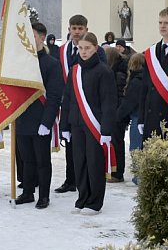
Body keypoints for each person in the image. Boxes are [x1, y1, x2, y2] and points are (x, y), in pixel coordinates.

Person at [60, 32, 118, 215]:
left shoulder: (104, 71)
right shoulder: (75, 70)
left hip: (95, 126)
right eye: (81, 48)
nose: (83, 52)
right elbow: (68, 99)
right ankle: (82, 198)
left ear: (96, 49)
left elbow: (109, 103)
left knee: (94, 164)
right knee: (80, 163)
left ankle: (94, 202)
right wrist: (64, 126)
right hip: (76, 125)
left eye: (88, 48)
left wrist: (107, 130)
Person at [14, 22, 63, 209]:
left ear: (42, 38)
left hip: (41, 119)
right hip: (23, 118)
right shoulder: (21, 63)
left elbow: (54, 96)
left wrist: (47, 122)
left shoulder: (51, 64)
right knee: (26, 160)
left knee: (42, 161)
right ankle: (27, 192)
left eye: (33, 35)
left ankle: (43, 196)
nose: (29, 39)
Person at [55, 14, 106, 194]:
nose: (76, 32)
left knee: (89, 153)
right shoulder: (61, 50)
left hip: (89, 108)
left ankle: (88, 186)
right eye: (73, 28)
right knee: (72, 147)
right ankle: (71, 180)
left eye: (80, 28)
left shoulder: (96, 51)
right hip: (69, 105)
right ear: (69, 29)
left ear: (86, 29)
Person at [138, 7, 168, 141]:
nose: (162, 26)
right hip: (151, 115)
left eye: (167, 23)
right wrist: (141, 118)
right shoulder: (152, 52)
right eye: (160, 22)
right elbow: (144, 87)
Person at [117, 52, 147, 184]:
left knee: (136, 147)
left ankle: (139, 176)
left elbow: (129, 102)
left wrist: (118, 116)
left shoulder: (135, 81)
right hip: (145, 117)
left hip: (137, 117)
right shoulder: (145, 78)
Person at [105, 46, 128, 182]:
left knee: (117, 143)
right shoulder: (117, 71)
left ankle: (117, 173)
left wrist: (117, 114)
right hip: (115, 113)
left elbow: (119, 95)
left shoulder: (118, 74)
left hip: (117, 114)